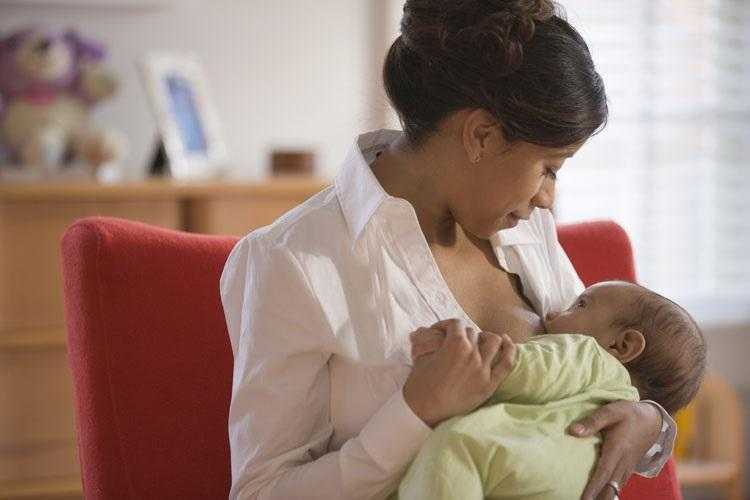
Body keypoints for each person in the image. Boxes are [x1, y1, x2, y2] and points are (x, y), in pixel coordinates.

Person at [220, 1, 678, 499]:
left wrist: (649, 422)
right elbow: (260, 492)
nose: (549, 199)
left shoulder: (526, 231)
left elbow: (597, 370)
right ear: (480, 135)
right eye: (548, 168)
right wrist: (414, 412)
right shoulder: (291, 262)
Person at [397, 281, 707, 499]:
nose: (552, 314)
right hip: (573, 484)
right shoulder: (621, 402)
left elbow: (528, 370)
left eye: (580, 305)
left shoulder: (591, 356)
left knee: (452, 447)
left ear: (622, 345)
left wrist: (464, 352)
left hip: (508, 459)